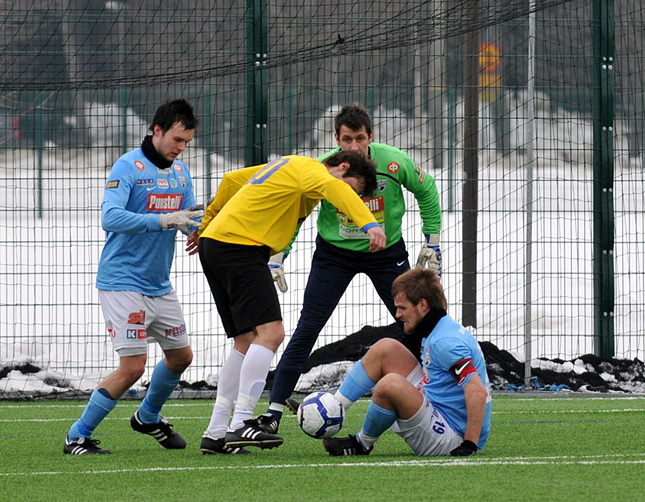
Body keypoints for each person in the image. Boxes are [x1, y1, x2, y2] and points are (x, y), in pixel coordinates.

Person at [259, 104, 442, 433]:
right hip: (334, 256)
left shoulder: (392, 161)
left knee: (418, 322)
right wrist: (279, 253)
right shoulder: (325, 169)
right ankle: (272, 412)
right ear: (336, 140)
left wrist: (433, 241)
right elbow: (297, 210)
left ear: (371, 137)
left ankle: (435, 394)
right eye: (347, 139)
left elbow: (426, 190)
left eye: (360, 138)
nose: (354, 147)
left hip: (387, 255)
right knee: (308, 327)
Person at [193, 151, 386, 454]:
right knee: (272, 334)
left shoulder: (287, 166)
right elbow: (333, 187)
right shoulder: (312, 170)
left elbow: (231, 181)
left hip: (216, 244)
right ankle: (243, 422)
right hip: (240, 247)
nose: (346, 200)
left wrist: (206, 225)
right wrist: (369, 223)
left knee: (246, 340)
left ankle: (217, 432)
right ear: (343, 167)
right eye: (352, 190)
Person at [63, 99, 203, 455]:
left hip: (159, 284)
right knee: (134, 365)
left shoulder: (181, 173)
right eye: (176, 139)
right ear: (157, 130)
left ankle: (148, 416)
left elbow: (190, 219)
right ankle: (77, 435)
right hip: (122, 282)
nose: (180, 148)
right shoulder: (128, 166)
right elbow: (110, 218)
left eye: (186, 142)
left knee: (181, 356)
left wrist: (199, 231)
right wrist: (163, 220)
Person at [322, 267, 492, 457]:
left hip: (451, 436)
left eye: (402, 308)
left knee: (390, 385)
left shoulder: (445, 343)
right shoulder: (439, 329)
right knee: (386, 348)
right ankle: (331, 409)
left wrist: (469, 444)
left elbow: (477, 391)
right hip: (437, 407)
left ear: (423, 305)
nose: (397, 315)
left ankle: (361, 443)